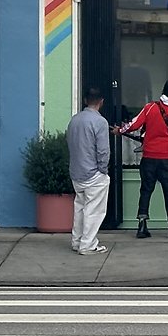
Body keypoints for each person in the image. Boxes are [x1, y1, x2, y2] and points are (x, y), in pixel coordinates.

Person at [119, 78, 168, 239]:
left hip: (149, 157)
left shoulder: (150, 108)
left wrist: (120, 130)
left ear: (163, 91)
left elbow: (134, 124)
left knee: (146, 190)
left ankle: (142, 225)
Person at [66, 86, 111, 255]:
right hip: (93, 173)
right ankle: (88, 244)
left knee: (80, 208)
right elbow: (103, 150)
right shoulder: (100, 122)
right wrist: (103, 170)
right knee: (94, 211)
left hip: (76, 172)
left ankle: (77, 241)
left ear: (85, 100)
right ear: (101, 102)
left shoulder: (74, 120)